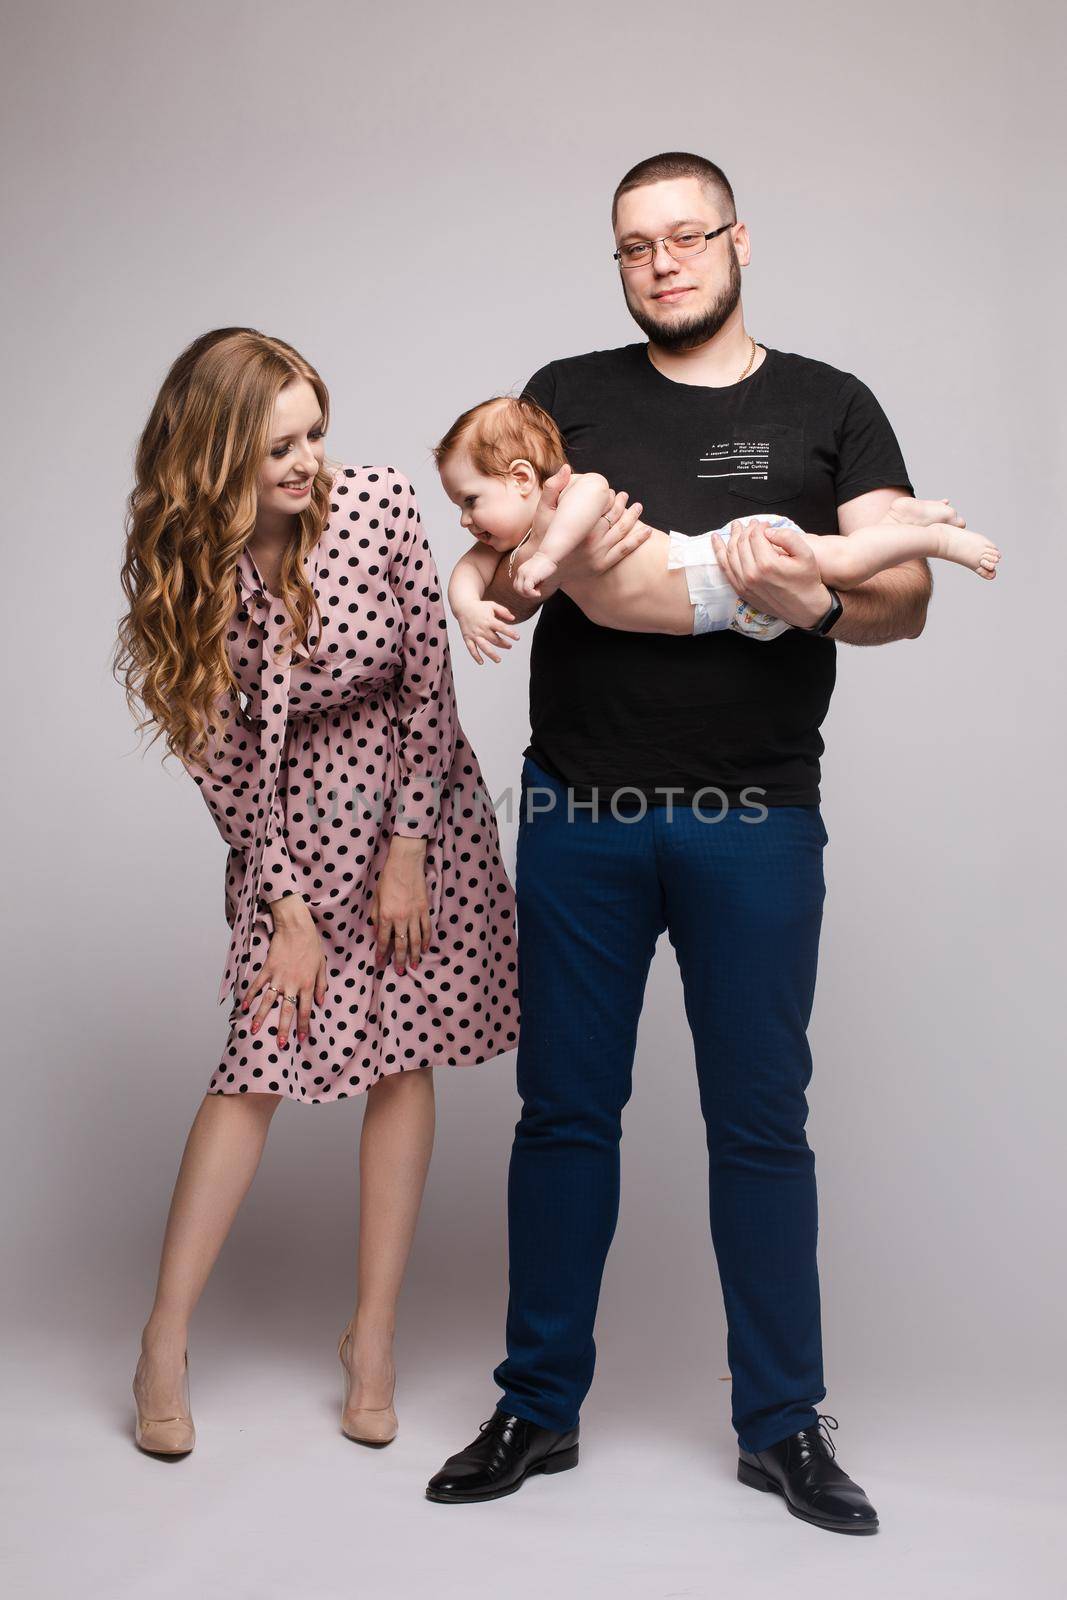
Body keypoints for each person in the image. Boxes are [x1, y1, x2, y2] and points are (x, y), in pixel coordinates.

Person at [426, 151, 934, 1535]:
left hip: (754, 817)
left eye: (684, 237)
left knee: (761, 1127)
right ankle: (536, 1404)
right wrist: (494, 582)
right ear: (617, 264)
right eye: (633, 247)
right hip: (579, 816)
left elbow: (897, 598)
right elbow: (512, 540)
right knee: (561, 1118)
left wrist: (811, 605)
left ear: (737, 241)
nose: (660, 263)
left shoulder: (829, 404)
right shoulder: (563, 396)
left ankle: (780, 1425)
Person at [115, 327, 519, 1458]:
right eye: (278, 447)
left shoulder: (381, 502)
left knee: (404, 1054)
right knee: (255, 1066)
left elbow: (429, 687)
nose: (308, 461)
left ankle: (373, 1338)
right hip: (285, 832)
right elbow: (218, 756)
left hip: (413, 809)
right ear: (215, 460)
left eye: (313, 433)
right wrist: (285, 907)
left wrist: (407, 849)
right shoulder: (184, 567)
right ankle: (162, 1339)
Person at [435, 395, 999, 657]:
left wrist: (552, 556)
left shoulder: (566, 498)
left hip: (725, 560)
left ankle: (933, 537)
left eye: (471, 500)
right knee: (848, 556)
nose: (464, 520)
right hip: (728, 612)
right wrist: (469, 609)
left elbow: (595, 494)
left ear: (520, 477)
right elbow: (466, 576)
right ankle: (901, 522)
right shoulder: (503, 546)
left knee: (846, 565)